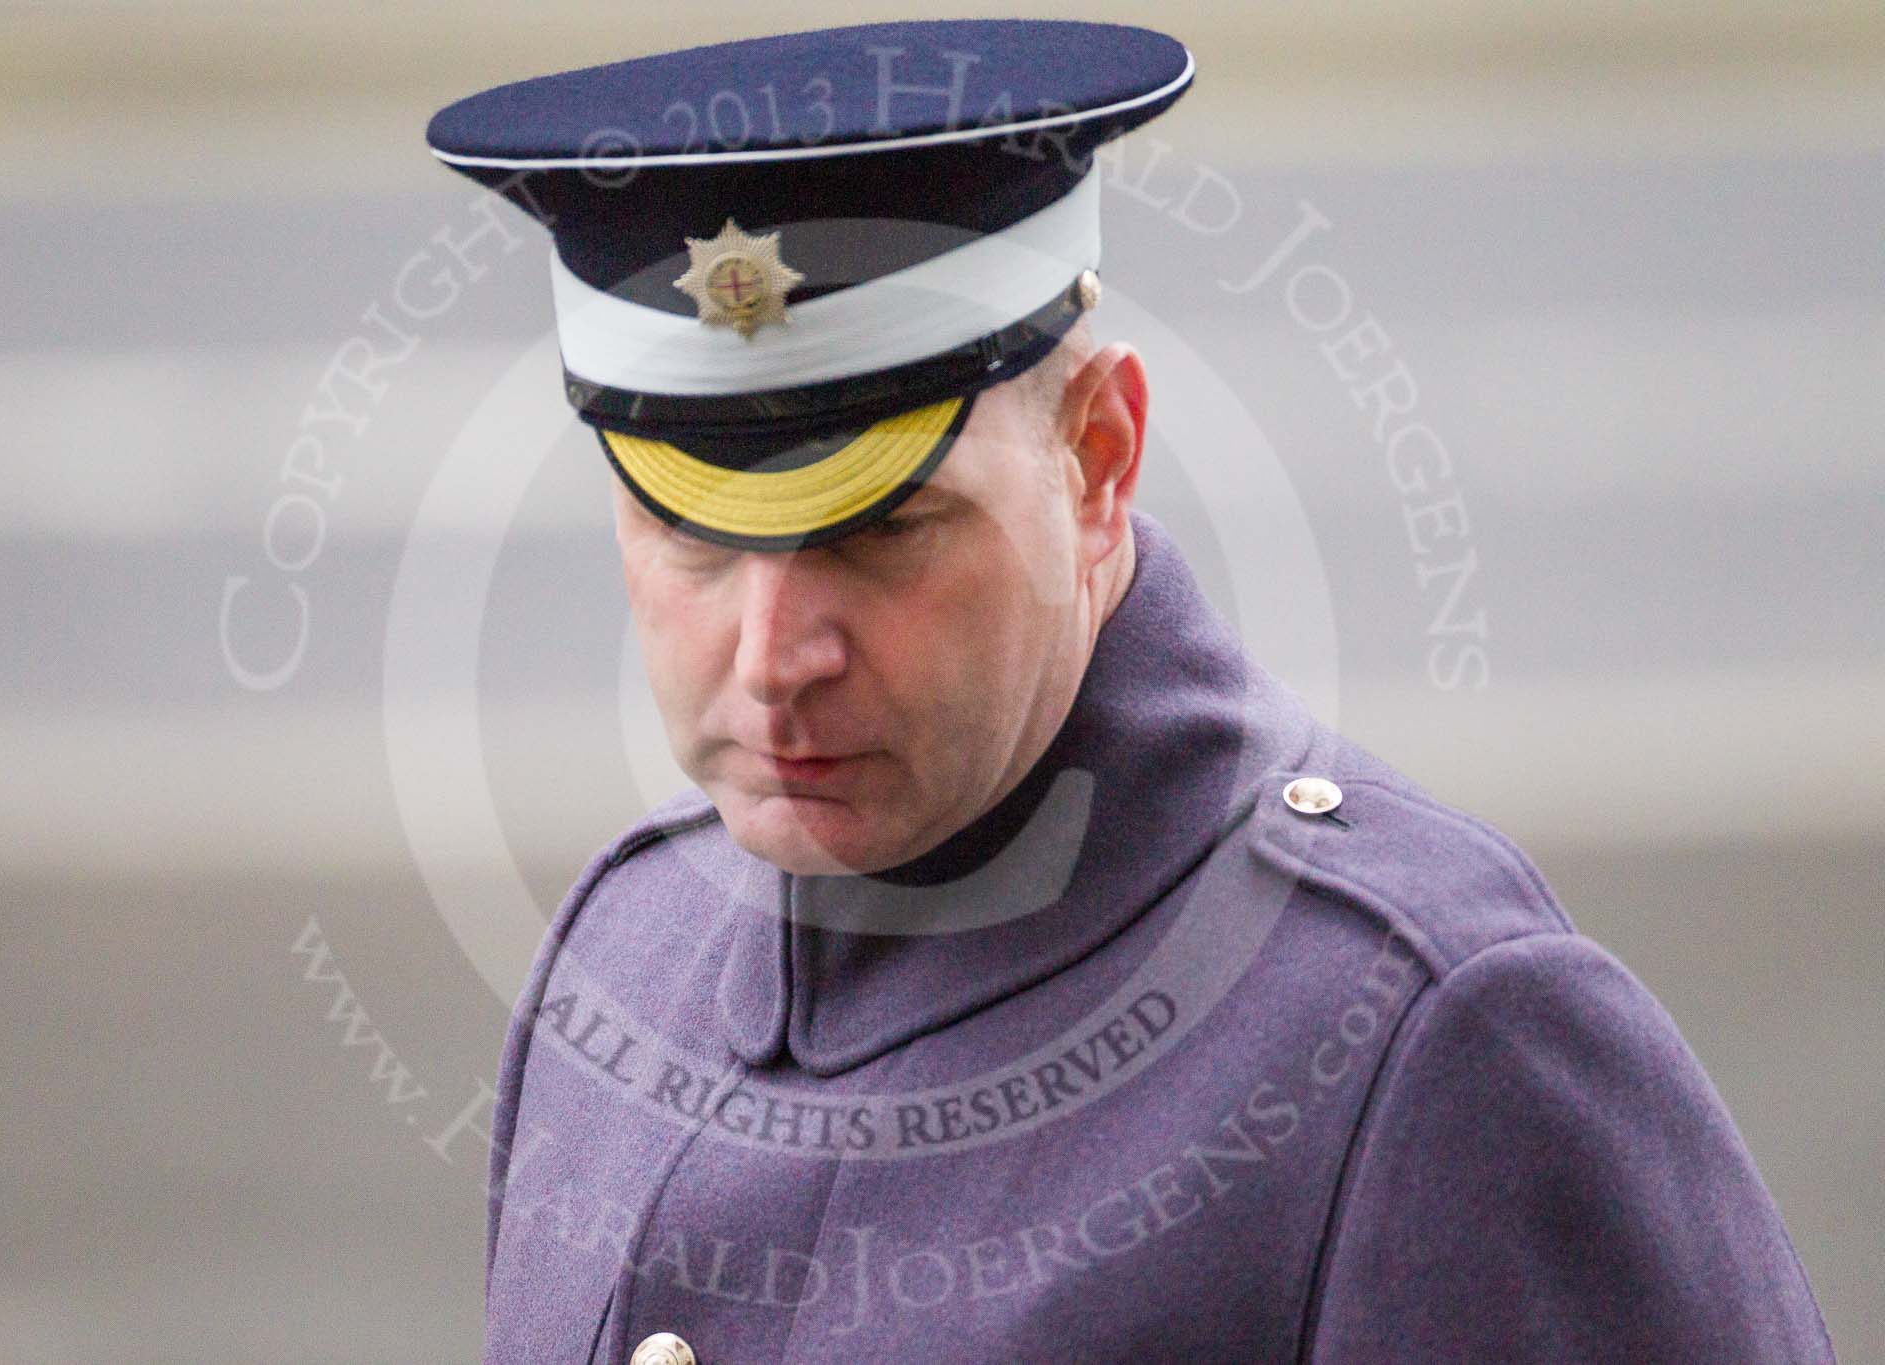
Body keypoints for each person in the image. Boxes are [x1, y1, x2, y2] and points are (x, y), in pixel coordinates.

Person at [426, 20, 1835, 1363]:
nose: (771, 656)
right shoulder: (623, 955)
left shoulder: (1425, 1037)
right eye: (697, 534)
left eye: (880, 531)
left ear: (1097, 460)